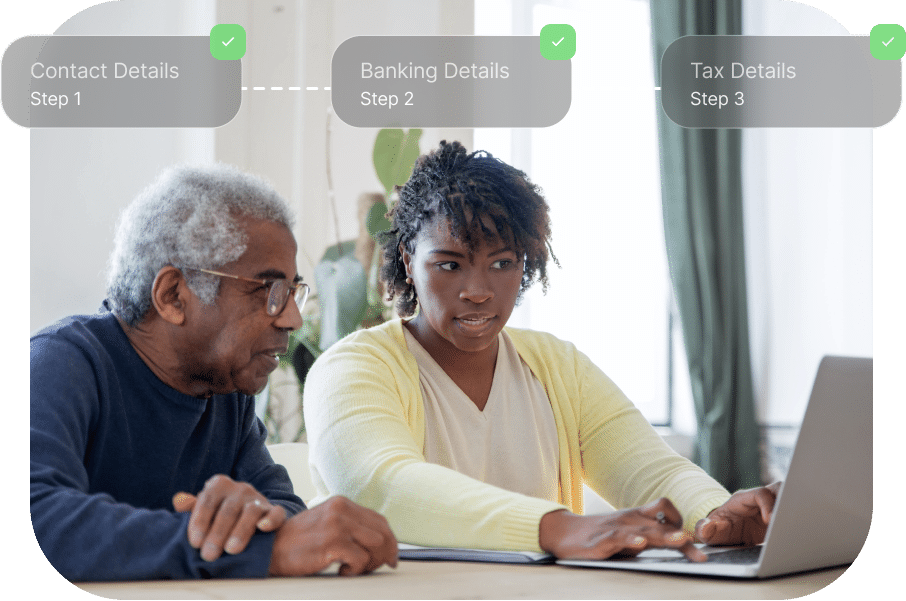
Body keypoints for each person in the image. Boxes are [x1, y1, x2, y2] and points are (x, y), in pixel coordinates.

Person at [304, 141, 780, 561]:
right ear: (408, 261)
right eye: (449, 264)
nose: (478, 290)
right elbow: (382, 485)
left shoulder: (558, 366)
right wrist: (559, 528)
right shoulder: (352, 369)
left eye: (502, 263)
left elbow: (648, 470)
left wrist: (716, 515)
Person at [30, 165, 397, 581]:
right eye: (269, 290)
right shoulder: (61, 363)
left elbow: (284, 510)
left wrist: (254, 520)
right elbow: (33, 521)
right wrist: (250, 548)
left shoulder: (225, 392)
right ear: (173, 295)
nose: (293, 318)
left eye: (293, 291)